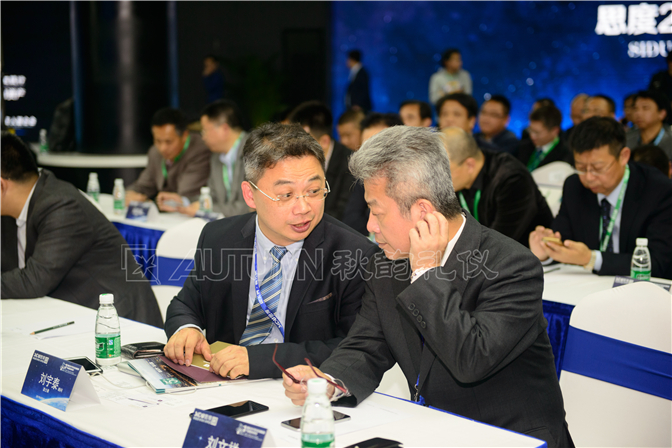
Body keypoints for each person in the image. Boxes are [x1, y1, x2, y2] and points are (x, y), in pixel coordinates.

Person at [281, 126, 573, 448]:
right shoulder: (388, 261)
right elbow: (367, 343)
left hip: (509, 437)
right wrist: (329, 382)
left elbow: (471, 360)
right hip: (431, 431)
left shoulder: (511, 265)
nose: (369, 226)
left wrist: (425, 272)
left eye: (377, 212)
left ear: (422, 211)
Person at [163, 123, 377, 379]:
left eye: (314, 191)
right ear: (250, 195)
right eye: (286, 195)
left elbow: (353, 348)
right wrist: (187, 329)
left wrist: (259, 360)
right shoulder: (219, 238)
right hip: (221, 383)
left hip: (298, 388)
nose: (303, 208)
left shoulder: (355, 254)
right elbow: (186, 303)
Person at [1, 133, 162, 327]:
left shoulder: (60, 205)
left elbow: (34, 281)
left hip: (117, 322)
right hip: (65, 314)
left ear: (2, 185)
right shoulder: (9, 210)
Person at [530, 117, 672, 279]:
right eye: (581, 167)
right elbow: (564, 241)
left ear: (623, 156)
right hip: (588, 286)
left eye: (598, 168)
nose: (589, 177)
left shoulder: (658, 190)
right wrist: (546, 252)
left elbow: (658, 262)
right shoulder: (575, 186)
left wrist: (592, 259)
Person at [443, 127, 553, 247]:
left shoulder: (512, 179)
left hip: (527, 253)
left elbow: (497, 244)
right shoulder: (460, 179)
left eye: (444, 171)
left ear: (469, 165)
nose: (438, 178)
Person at [157, 100, 250, 217]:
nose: (203, 137)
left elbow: (251, 206)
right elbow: (212, 197)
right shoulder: (216, 157)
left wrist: (206, 209)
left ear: (224, 129)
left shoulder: (255, 151)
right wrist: (183, 202)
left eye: (205, 131)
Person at [126, 108, 210, 205]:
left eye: (168, 142)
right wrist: (131, 194)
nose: (162, 148)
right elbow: (143, 185)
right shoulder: (154, 152)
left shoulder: (200, 150)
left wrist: (150, 202)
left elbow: (185, 194)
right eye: (158, 141)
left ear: (184, 136)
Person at [289, 101, 355, 221]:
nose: (296, 149)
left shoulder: (351, 165)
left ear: (324, 141)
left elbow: (344, 215)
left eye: (302, 143)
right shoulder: (294, 163)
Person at [342, 113, 403, 236]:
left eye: (376, 147)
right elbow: (351, 220)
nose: (369, 155)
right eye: (365, 147)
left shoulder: (413, 180)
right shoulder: (365, 176)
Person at [518, 104, 573, 171]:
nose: (532, 136)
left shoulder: (566, 155)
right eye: (530, 130)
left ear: (554, 131)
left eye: (537, 132)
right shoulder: (523, 147)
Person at [626, 91, 672, 160]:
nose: (638, 113)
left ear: (662, 113)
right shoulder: (627, 138)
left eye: (645, 108)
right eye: (635, 108)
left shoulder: (670, 141)